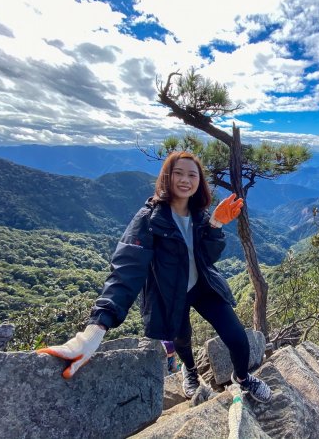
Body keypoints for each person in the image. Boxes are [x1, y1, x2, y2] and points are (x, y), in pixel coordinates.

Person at [37, 151, 272, 403]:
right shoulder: (148, 220)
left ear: (199, 182)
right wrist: (93, 331)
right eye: (178, 173)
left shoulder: (198, 215)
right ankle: (190, 371)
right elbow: (125, 271)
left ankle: (242, 377)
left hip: (203, 287)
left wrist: (214, 225)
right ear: (166, 178)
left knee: (237, 336)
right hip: (169, 291)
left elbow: (207, 257)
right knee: (181, 338)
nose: (185, 179)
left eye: (192, 175)